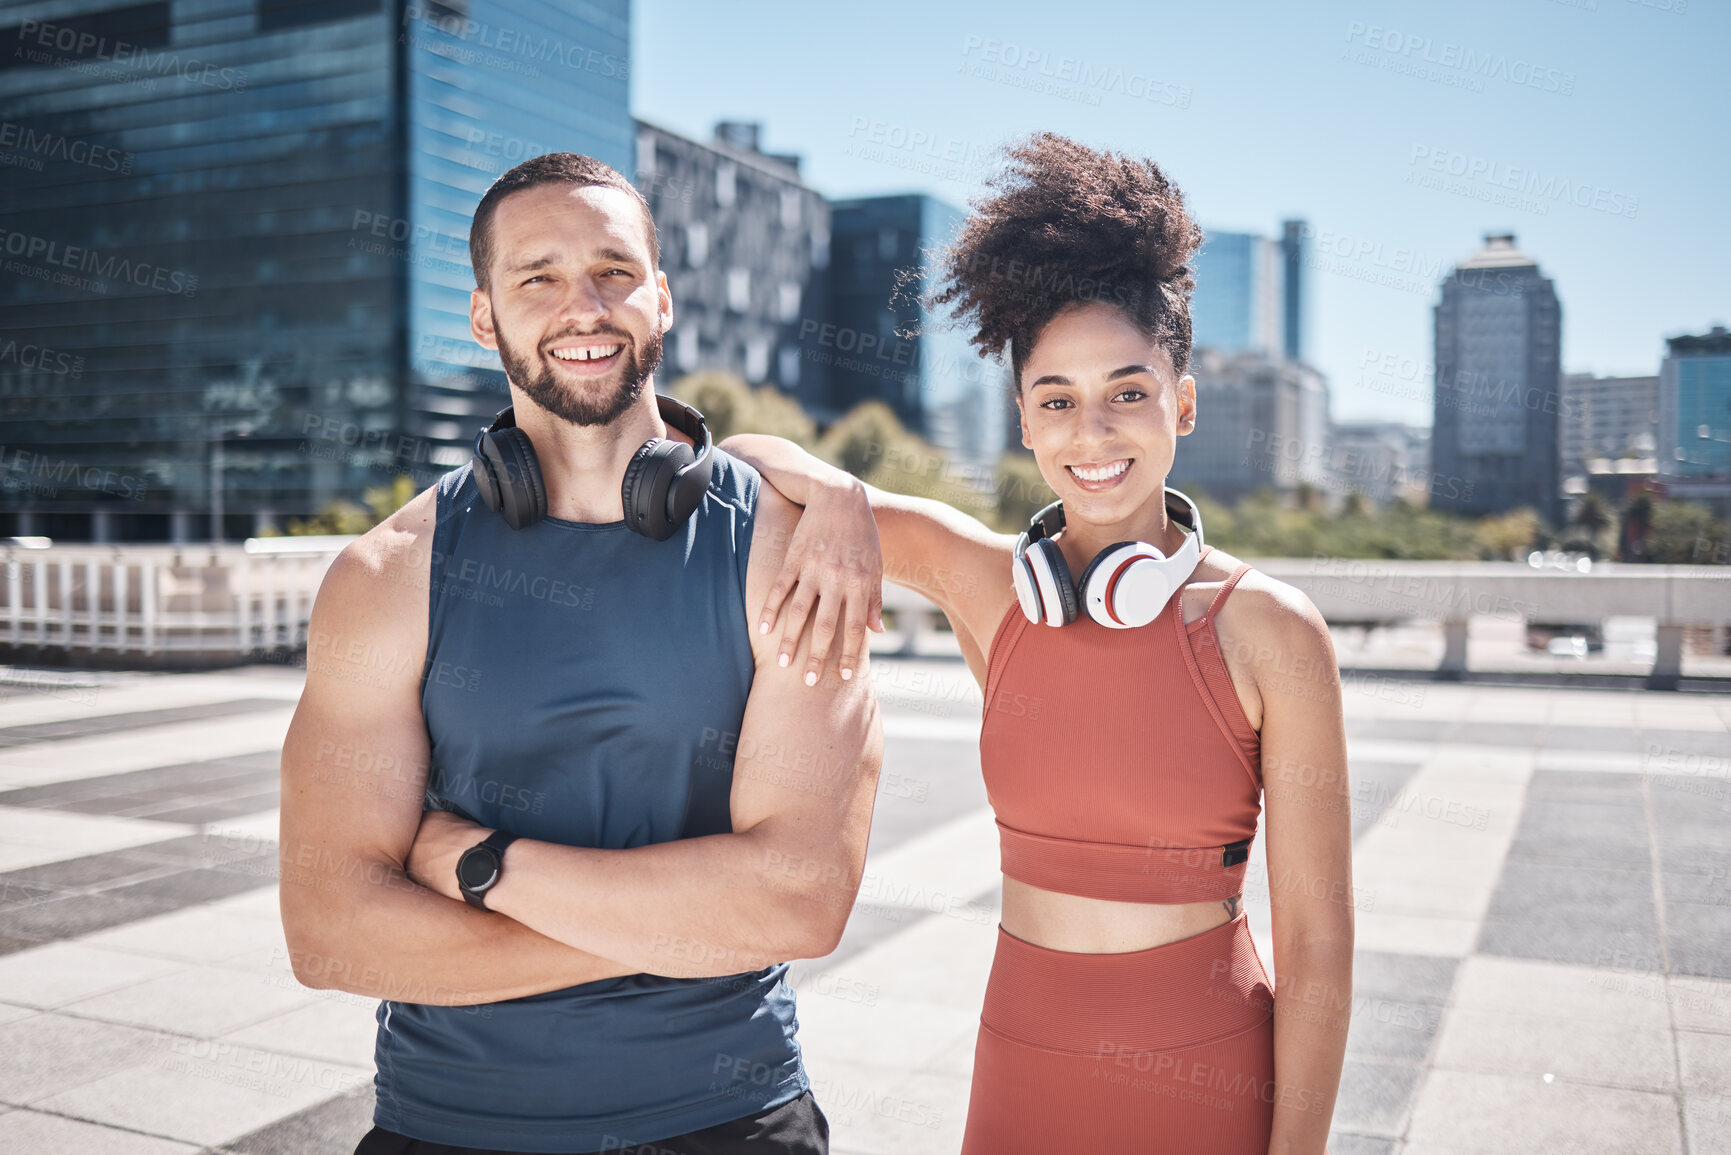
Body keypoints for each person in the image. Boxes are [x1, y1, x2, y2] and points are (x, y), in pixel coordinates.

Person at [725, 132, 1353, 1153]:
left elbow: (1320, 947)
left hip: (1205, 1072)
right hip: (1022, 1065)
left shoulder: (1269, 629)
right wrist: (841, 494)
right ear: (1022, 417)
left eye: (1128, 392)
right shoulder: (990, 589)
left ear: (1182, 402)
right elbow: (739, 466)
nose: (1091, 433)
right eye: (1057, 400)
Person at [278, 152, 885, 1155]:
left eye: (613, 271)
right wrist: (677, 923)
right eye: (539, 278)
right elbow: (333, 930)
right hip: (447, 1129)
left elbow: (800, 898)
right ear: (484, 316)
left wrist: (475, 865)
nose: (585, 307)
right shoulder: (387, 575)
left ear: (664, 297)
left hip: (726, 1122)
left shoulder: (787, 550)